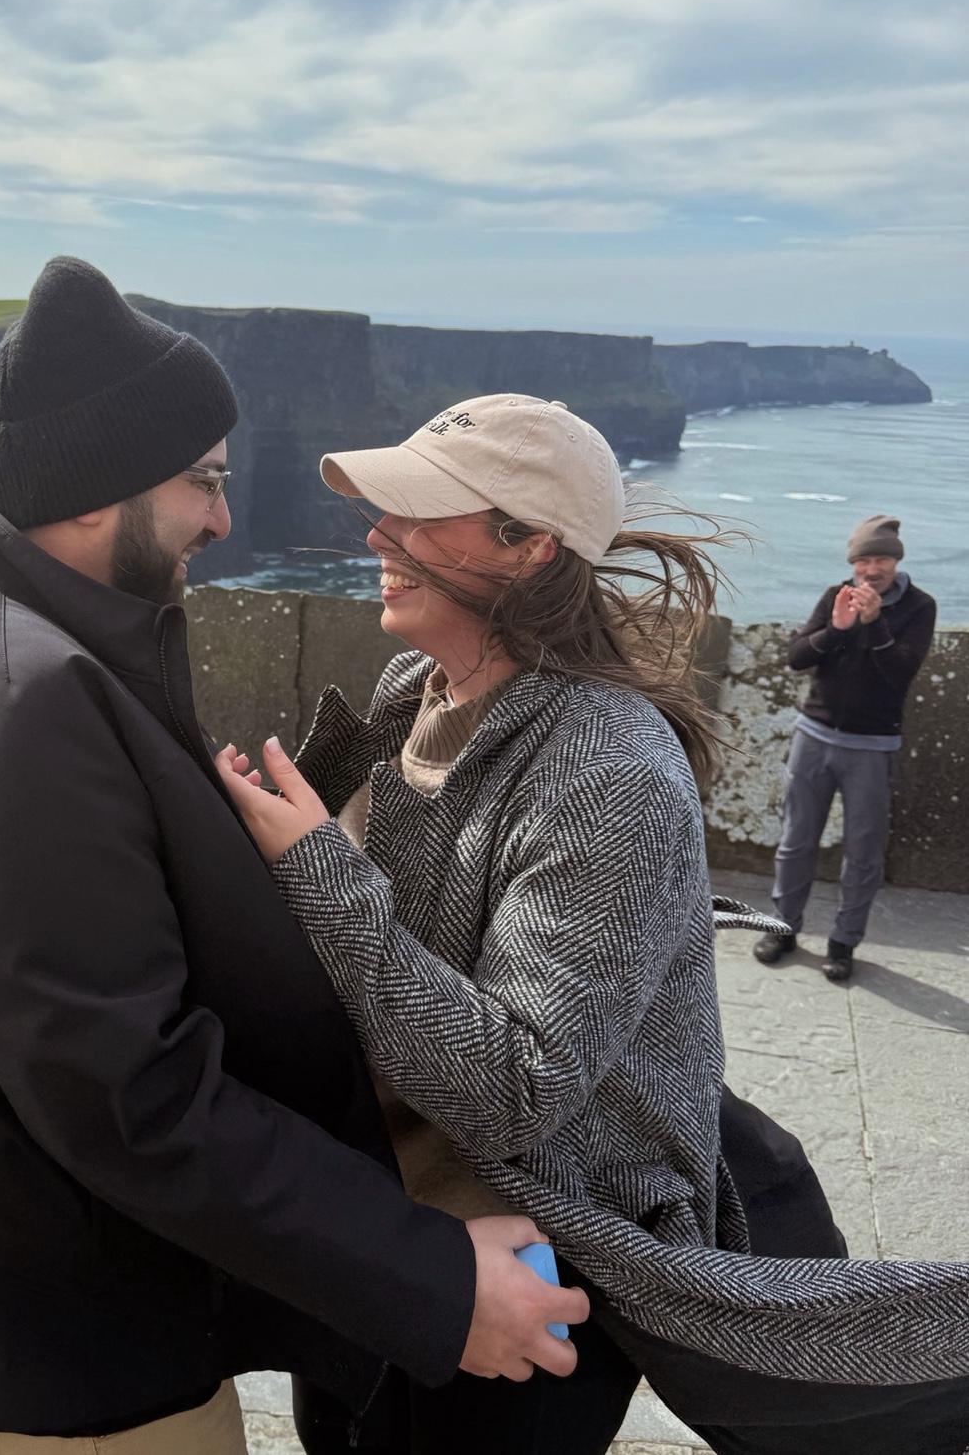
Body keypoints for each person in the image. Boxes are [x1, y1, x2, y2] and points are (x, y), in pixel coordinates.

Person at [0, 262, 586, 1455]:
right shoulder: (29, 707)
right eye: (202, 484)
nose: (224, 520)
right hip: (54, 1328)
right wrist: (429, 1276)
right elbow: (129, 1093)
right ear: (89, 490)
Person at [216, 395, 969, 1455]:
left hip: (533, 1254)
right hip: (394, 1217)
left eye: (423, 512)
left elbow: (517, 1090)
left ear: (528, 548)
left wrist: (316, 868)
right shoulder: (415, 689)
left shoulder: (605, 773)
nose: (378, 533)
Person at [752, 516, 937, 983]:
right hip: (814, 736)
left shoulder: (919, 606)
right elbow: (797, 658)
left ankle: (844, 941)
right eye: (864, 561)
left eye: (881, 559)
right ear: (852, 564)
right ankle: (783, 927)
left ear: (897, 560)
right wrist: (837, 628)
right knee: (795, 842)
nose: (872, 570)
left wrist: (873, 624)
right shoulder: (836, 595)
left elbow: (899, 672)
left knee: (865, 851)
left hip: (872, 747)